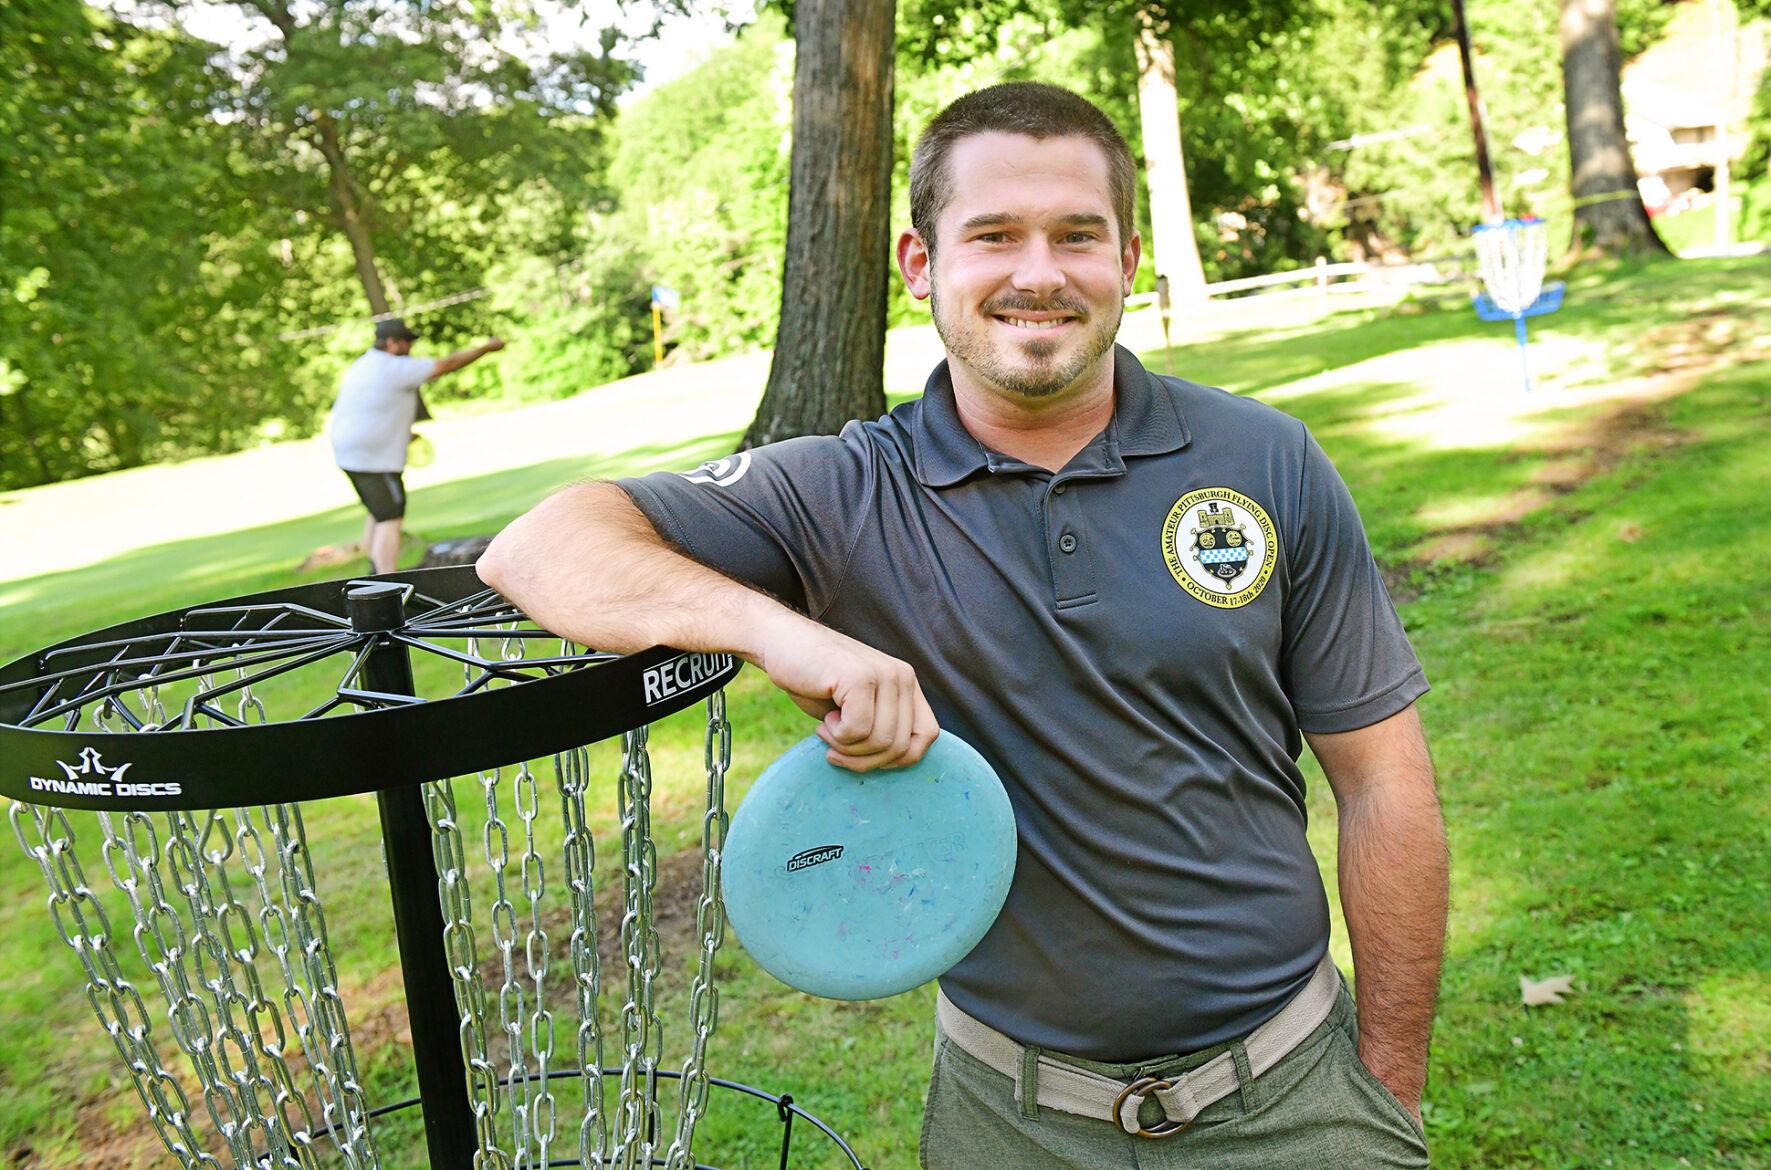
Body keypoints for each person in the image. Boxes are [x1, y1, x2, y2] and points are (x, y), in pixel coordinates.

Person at [479, 82, 1447, 1169]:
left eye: (1077, 235)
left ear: (1127, 259)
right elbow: (540, 547)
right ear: (919, 264)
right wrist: (775, 631)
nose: (1039, 272)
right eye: (993, 236)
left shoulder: (1265, 460)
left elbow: (1383, 784)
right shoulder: (840, 492)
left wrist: (1387, 1089)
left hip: (1293, 1094)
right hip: (1009, 1122)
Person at [329, 318, 506, 573]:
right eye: (406, 342)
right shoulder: (393, 367)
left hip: (350, 452)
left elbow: (370, 407)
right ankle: (384, 579)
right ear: (391, 343)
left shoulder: (364, 365)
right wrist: (485, 349)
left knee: (379, 511)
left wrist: (401, 433)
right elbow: (446, 365)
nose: (409, 348)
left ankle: (374, 566)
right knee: (391, 516)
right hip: (373, 457)